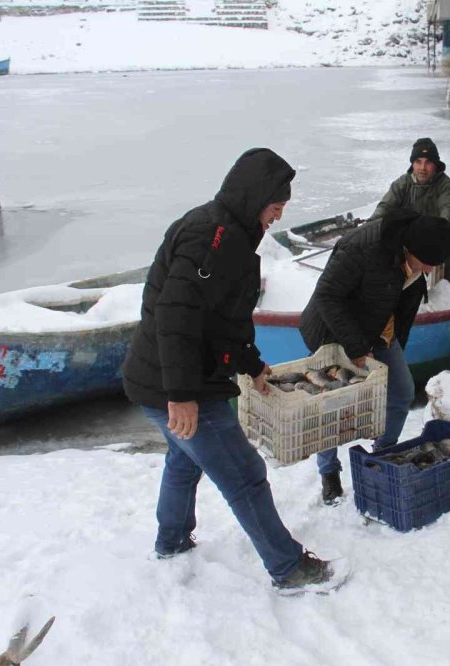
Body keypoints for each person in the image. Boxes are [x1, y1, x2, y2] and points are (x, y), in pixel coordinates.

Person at [122, 147, 343, 592]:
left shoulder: (225, 231)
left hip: (155, 380)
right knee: (244, 474)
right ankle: (288, 568)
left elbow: (221, 322)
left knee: (183, 461)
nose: (277, 218)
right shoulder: (213, 238)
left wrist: (252, 366)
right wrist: (181, 393)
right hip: (181, 385)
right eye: (276, 208)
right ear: (255, 198)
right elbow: (176, 316)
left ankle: (171, 542)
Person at [298, 208, 450, 505]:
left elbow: (402, 310)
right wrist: (355, 347)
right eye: (424, 264)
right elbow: (326, 296)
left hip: (379, 332)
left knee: (402, 391)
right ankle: (329, 472)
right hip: (332, 332)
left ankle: (381, 456)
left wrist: (383, 347)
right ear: (410, 249)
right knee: (330, 404)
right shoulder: (362, 247)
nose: (425, 271)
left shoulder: (418, 258)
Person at [369, 137, 450, 278]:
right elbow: (385, 207)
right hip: (408, 250)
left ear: (436, 164)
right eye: (418, 162)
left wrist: (432, 238)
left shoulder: (447, 187)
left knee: (438, 293)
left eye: (428, 162)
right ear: (412, 163)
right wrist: (371, 227)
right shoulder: (403, 184)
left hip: (436, 248)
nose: (422, 168)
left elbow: (448, 213)